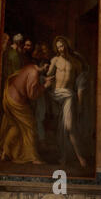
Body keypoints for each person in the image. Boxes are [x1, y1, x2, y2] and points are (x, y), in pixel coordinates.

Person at [0, 60, 53, 164]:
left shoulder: (30, 67)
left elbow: (26, 81)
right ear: (43, 65)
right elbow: (32, 95)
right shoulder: (34, 73)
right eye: (47, 67)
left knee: (15, 126)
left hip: (9, 95)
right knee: (30, 125)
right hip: (17, 102)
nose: (48, 70)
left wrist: (44, 79)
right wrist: (46, 86)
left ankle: (5, 152)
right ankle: (33, 157)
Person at [47, 36, 88, 167]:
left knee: (68, 127)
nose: (61, 48)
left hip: (69, 95)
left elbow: (81, 81)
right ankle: (66, 157)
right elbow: (48, 76)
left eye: (62, 45)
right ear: (56, 48)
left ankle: (78, 157)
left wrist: (81, 103)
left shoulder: (75, 62)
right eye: (58, 46)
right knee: (61, 126)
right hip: (56, 95)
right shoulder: (55, 60)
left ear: (66, 46)